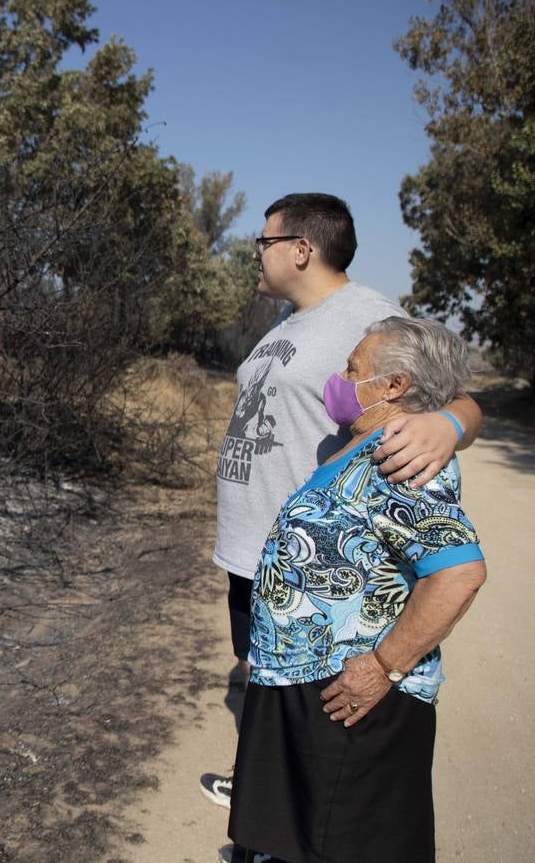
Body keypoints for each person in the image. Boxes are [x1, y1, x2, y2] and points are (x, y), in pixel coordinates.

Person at [201, 194, 482, 822]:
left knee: (313, 706)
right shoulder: (287, 324)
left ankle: (295, 816)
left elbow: (448, 390)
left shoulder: (367, 314)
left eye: (264, 241)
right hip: (254, 550)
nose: (256, 253)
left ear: (301, 249)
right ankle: (261, 790)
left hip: (315, 570)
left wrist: (446, 425)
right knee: (261, 674)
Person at [226, 316, 487, 862]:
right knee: (299, 839)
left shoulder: (402, 458)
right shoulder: (356, 445)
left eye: (353, 368)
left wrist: (384, 666)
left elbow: (458, 572)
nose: (339, 379)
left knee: (343, 843)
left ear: (393, 386)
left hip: (350, 697)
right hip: (307, 687)